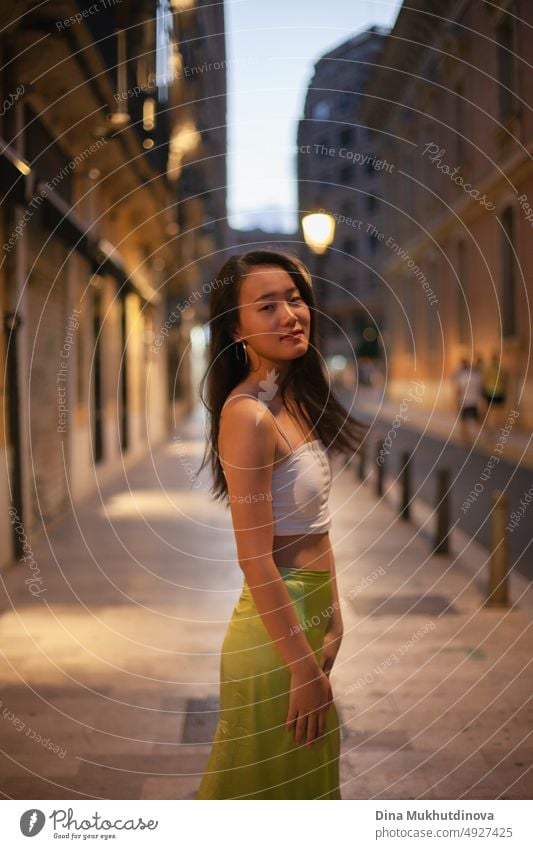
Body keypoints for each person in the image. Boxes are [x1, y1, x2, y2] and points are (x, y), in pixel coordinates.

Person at [194, 250, 368, 799]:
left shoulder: (295, 397)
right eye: (267, 306)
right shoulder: (248, 414)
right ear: (236, 328)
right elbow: (254, 557)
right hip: (275, 639)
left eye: (294, 299)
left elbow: (318, 527)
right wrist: (303, 669)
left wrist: (336, 617)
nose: (289, 315)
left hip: (306, 624)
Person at [452, 356, 483, 444]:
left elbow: (458, 391)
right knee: (477, 421)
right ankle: (488, 433)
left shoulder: (462, 377)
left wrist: (456, 402)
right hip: (474, 402)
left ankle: (465, 440)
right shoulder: (476, 377)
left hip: (464, 402)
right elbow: (481, 388)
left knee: (463, 422)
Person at [482, 352, 508, 433]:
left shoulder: (488, 369)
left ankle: (491, 425)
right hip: (499, 391)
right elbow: (505, 381)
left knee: (490, 410)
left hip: (489, 392)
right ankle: (495, 425)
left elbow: (484, 381)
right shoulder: (501, 369)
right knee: (497, 410)